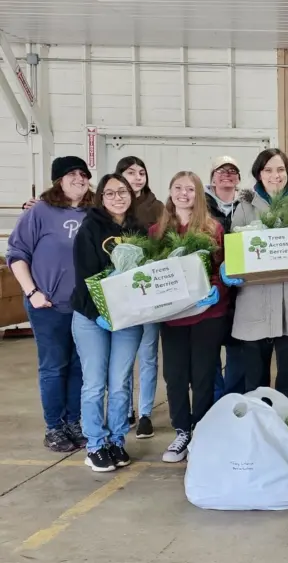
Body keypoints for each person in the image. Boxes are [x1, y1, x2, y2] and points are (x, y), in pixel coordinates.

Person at [6, 156, 94, 452]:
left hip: (83, 307)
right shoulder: (40, 212)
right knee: (54, 366)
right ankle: (54, 427)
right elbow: (17, 254)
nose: (79, 179)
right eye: (72, 174)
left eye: (83, 174)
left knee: (79, 367)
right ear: (58, 179)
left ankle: (74, 421)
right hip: (48, 305)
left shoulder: (93, 212)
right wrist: (32, 292)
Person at [223, 148, 288, 405]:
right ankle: (257, 432)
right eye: (268, 170)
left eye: (280, 169)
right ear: (259, 173)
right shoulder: (245, 207)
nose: (275, 175)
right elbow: (235, 249)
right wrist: (230, 268)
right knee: (255, 380)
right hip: (254, 302)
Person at [149, 172, 228, 463]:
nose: (184, 194)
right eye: (178, 188)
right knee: (175, 375)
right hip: (173, 316)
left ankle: (202, 430)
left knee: (204, 375)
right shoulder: (157, 231)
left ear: (199, 194)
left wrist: (217, 289)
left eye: (190, 189)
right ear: (170, 192)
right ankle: (182, 431)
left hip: (207, 314)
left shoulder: (212, 229)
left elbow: (222, 267)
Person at [70, 173, 145, 472]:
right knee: (94, 383)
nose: (118, 197)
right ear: (101, 197)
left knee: (120, 383)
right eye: (111, 193)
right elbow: (84, 276)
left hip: (128, 318)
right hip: (92, 317)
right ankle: (95, 445)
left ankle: (116, 440)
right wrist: (98, 313)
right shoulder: (89, 228)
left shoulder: (139, 229)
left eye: (123, 191)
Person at [115, 156, 162, 438]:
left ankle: (145, 412)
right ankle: (126, 408)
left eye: (141, 172)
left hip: (150, 290)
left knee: (148, 353)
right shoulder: (110, 207)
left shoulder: (157, 208)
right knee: (123, 356)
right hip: (120, 294)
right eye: (130, 172)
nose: (137, 177)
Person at [205, 155, 245, 399]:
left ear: (239, 178)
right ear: (212, 177)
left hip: (241, 290)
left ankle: (231, 401)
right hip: (212, 288)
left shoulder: (247, 205)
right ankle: (214, 401)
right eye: (221, 170)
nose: (227, 174)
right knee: (208, 351)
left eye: (233, 170)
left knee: (238, 349)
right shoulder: (201, 206)